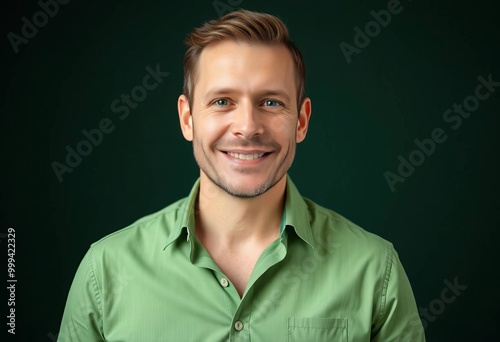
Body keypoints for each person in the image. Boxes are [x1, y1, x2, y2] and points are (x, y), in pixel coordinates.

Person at [58, 9, 425, 341]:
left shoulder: (375, 269)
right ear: (187, 118)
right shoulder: (105, 269)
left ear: (301, 120)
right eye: (222, 101)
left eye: (271, 102)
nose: (248, 127)